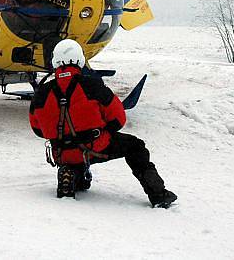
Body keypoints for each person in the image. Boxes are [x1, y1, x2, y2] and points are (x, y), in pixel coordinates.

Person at [28, 39, 178, 208]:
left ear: (55, 61)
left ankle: (71, 173)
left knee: (75, 161)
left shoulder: (42, 92)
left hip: (63, 153)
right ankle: (158, 195)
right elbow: (119, 117)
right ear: (80, 59)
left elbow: (37, 128)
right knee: (136, 147)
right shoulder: (93, 85)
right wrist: (102, 130)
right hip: (95, 147)